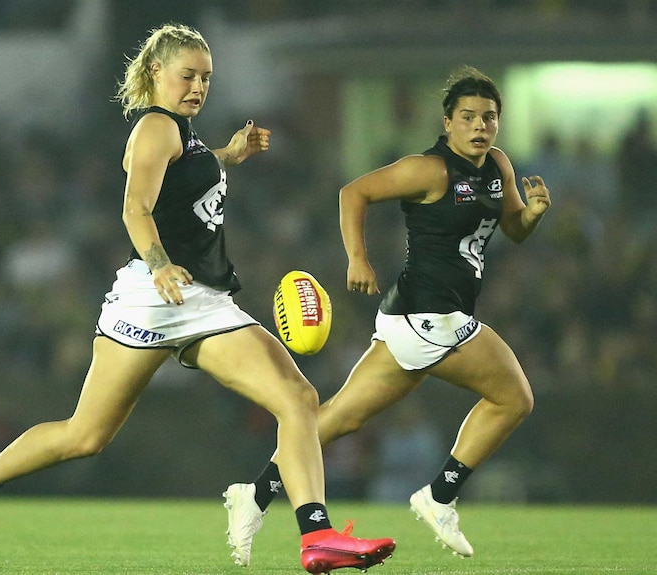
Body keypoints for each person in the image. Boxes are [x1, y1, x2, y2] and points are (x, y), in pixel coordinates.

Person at [0, 23, 395, 574]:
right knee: (85, 435)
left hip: (205, 300)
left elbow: (185, 179)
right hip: (153, 298)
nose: (198, 86)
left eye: (206, 77)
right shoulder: (155, 127)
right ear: (156, 72)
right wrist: (158, 265)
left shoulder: (185, 133)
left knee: (296, 398)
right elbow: (136, 207)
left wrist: (227, 152)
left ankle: (316, 536)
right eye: (187, 75)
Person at [224, 66, 551, 563]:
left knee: (335, 420)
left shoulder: (497, 166)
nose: (480, 126)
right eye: (468, 117)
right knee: (514, 398)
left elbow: (513, 227)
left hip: (410, 318)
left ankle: (256, 494)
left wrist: (530, 215)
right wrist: (357, 256)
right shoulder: (430, 169)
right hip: (430, 317)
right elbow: (353, 192)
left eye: (489, 117)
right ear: (448, 123)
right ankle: (439, 496)